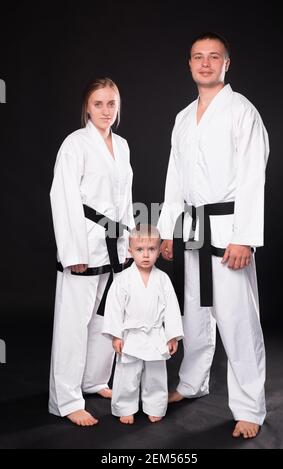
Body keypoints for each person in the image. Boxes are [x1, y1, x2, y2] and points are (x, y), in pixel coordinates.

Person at [158, 32, 269, 439]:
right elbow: (175, 180)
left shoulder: (242, 111)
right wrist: (168, 229)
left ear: (227, 63)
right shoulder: (183, 117)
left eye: (214, 57)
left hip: (227, 229)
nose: (205, 63)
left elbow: (253, 177)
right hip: (190, 227)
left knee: (238, 320)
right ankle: (191, 382)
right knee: (194, 311)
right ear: (189, 64)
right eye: (197, 57)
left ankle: (249, 407)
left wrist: (245, 237)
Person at [49, 77, 135, 426]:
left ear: (118, 106)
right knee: (73, 321)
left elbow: (125, 199)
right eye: (98, 104)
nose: (105, 110)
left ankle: (95, 379)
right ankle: (66, 399)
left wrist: (129, 239)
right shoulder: (75, 144)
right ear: (87, 107)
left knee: (107, 316)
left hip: (114, 243)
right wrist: (72, 251)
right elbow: (63, 197)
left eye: (111, 103)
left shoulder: (123, 145)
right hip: (83, 241)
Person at [102, 225, 184, 424]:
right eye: (140, 250)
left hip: (156, 334)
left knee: (155, 375)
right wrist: (116, 335)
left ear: (158, 250)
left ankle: (155, 405)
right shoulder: (122, 279)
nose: (146, 255)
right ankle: (125, 406)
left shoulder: (163, 279)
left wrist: (172, 335)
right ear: (130, 250)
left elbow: (172, 309)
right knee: (127, 374)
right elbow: (113, 309)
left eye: (151, 249)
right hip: (131, 335)